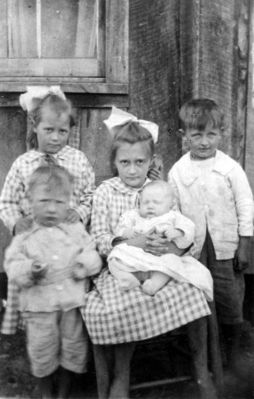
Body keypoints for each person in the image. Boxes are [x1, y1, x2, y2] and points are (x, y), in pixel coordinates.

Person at [82, 106, 216, 399]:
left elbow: (182, 228)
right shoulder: (106, 191)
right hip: (123, 266)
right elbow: (99, 238)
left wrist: (171, 245)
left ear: (151, 161)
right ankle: (122, 374)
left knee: (192, 290)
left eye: (139, 162)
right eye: (125, 162)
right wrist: (132, 244)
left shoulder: (160, 189)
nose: (132, 169)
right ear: (114, 162)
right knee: (124, 301)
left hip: (163, 262)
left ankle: (200, 367)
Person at [0, 86, 95, 335]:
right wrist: (15, 223)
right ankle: (38, 333)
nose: (55, 138)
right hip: (35, 238)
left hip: (67, 239)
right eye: (49, 130)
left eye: (62, 131)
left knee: (68, 284)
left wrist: (82, 213)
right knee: (36, 283)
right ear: (35, 127)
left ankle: (71, 332)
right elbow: (7, 201)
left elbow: (90, 195)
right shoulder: (23, 164)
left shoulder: (78, 160)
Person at [3, 165, 102, 399]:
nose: (51, 209)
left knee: (73, 345)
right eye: (44, 201)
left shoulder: (75, 229)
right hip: (39, 305)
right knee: (41, 347)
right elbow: (12, 264)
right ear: (30, 201)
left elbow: (93, 254)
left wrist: (83, 265)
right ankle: (46, 386)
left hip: (70, 301)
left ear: (68, 201)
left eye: (58, 202)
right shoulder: (26, 232)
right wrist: (29, 269)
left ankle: (65, 387)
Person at [168, 98, 254, 367]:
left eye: (211, 135)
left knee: (229, 297)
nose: (204, 142)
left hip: (225, 246)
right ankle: (204, 352)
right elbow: (174, 210)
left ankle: (234, 351)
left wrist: (245, 243)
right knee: (199, 296)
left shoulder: (230, 168)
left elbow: (245, 204)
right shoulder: (179, 171)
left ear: (221, 133)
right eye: (197, 135)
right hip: (194, 249)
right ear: (185, 137)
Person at [108, 180, 213, 299]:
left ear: (170, 205)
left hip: (161, 259)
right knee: (114, 256)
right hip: (137, 257)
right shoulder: (133, 215)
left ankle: (154, 284)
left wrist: (178, 231)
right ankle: (129, 278)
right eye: (145, 202)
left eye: (156, 202)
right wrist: (127, 232)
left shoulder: (172, 216)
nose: (150, 206)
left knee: (172, 262)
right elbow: (120, 228)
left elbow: (189, 227)